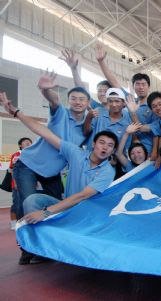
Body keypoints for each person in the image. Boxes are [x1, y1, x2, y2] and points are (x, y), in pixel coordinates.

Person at [0, 93, 116, 264]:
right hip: (65, 206)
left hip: (84, 215)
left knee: (46, 210)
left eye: (110, 145)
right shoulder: (76, 154)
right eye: (102, 142)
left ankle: (54, 245)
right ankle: (36, 249)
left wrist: (46, 212)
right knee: (31, 201)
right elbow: (44, 133)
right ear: (93, 144)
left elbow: (82, 196)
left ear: (113, 151)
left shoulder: (108, 172)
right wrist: (16, 112)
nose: (105, 147)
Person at [8, 73, 90, 222]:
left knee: (55, 207)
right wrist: (45, 90)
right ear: (69, 101)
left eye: (82, 99)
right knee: (29, 203)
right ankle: (27, 241)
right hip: (28, 165)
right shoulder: (61, 113)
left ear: (87, 102)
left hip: (52, 173)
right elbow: (54, 100)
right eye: (73, 99)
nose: (77, 102)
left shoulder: (87, 126)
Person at [83, 88, 131, 154]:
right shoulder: (98, 112)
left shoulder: (128, 121)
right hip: (90, 156)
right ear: (107, 102)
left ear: (123, 103)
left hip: (111, 161)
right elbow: (86, 133)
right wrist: (88, 118)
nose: (114, 104)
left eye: (117, 101)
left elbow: (125, 148)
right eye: (110, 101)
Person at [9, 137, 32, 230]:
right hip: (17, 184)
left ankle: (26, 221)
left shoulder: (33, 154)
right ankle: (14, 222)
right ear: (20, 145)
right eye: (26, 143)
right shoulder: (17, 155)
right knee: (17, 203)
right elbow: (11, 170)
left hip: (30, 184)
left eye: (30, 143)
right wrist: (17, 183)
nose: (29, 144)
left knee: (27, 203)